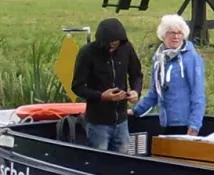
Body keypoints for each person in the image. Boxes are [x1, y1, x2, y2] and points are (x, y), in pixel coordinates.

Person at [71, 17, 143, 152]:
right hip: (98, 121)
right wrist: (101, 96)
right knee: (99, 159)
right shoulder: (87, 53)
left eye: (116, 45)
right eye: (109, 45)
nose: (112, 48)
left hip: (121, 119)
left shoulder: (127, 49)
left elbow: (136, 74)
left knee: (122, 159)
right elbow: (77, 86)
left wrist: (136, 91)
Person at [132, 14, 206, 136]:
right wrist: (136, 111)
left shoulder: (191, 58)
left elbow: (198, 93)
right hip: (166, 122)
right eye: (172, 32)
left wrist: (195, 124)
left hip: (185, 124)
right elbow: (155, 93)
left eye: (179, 33)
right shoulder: (159, 59)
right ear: (163, 35)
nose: (176, 37)